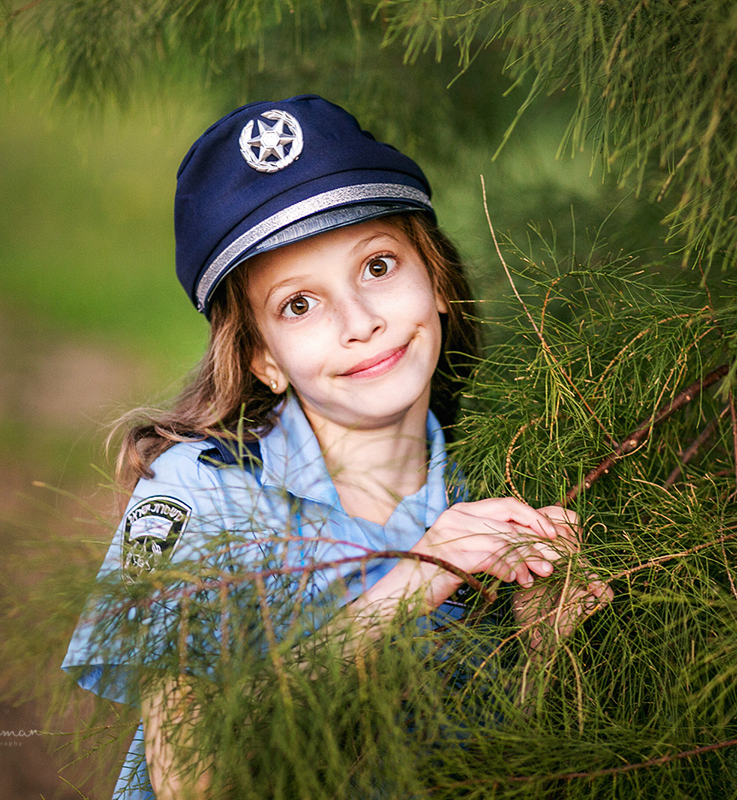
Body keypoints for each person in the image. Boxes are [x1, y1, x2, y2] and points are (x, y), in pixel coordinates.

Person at [62, 94, 611, 800]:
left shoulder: (493, 485)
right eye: (300, 303)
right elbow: (196, 779)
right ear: (264, 359)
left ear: (437, 279)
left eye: (378, 266)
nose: (360, 322)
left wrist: (547, 651)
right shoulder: (203, 493)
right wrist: (414, 581)